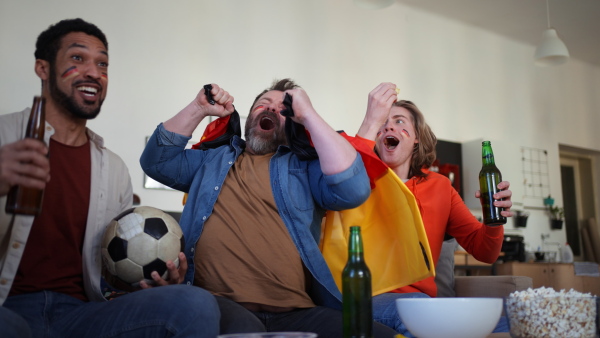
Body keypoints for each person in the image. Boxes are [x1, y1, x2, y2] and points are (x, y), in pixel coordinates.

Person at [0, 18, 219, 337]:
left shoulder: (113, 168)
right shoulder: (4, 135)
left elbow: (111, 268)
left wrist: (154, 279)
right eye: (78, 58)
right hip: (8, 308)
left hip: (81, 314)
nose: (94, 72)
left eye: (102, 63)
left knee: (193, 304)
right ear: (43, 69)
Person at [140, 79, 398, 337]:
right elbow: (156, 162)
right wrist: (199, 107)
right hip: (221, 305)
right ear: (249, 117)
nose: (273, 109)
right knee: (247, 330)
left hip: (298, 312)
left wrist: (308, 114)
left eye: (284, 109)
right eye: (263, 104)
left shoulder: (305, 167)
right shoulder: (211, 160)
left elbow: (353, 189)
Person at [354, 82, 513, 335]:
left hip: (422, 303)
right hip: (367, 300)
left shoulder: (439, 186)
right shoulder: (358, 179)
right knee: (417, 310)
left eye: (399, 121)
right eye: (382, 123)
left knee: (516, 322)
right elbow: (343, 176)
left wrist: (494, 220)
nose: (389, 126)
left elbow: (485, 252)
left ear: (416, 138)